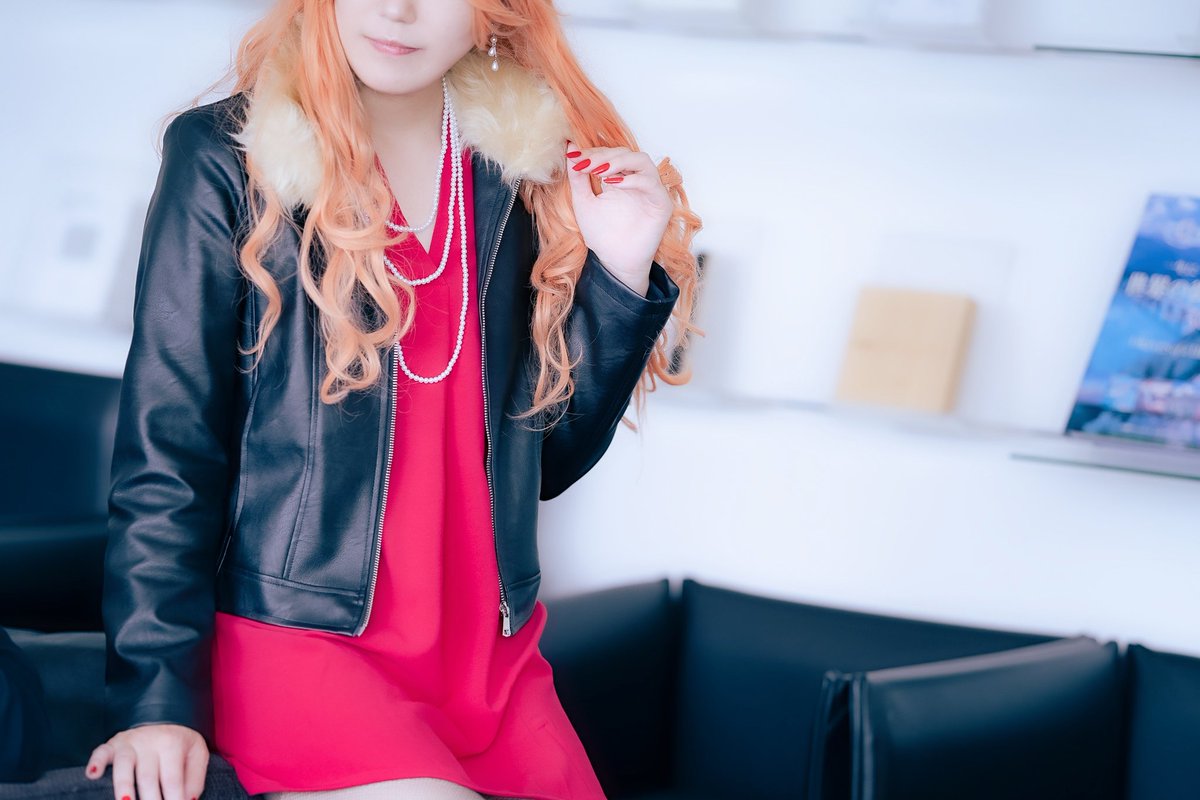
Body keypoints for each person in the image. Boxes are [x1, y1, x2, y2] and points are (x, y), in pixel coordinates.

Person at [83, 1, 701, 799]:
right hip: (301, 644)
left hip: (490, 666)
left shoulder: (516, 169)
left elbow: (541, 462)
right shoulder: (226, 156)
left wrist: (618, 271)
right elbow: (168, 454)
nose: (398, 10)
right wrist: (156, 700)